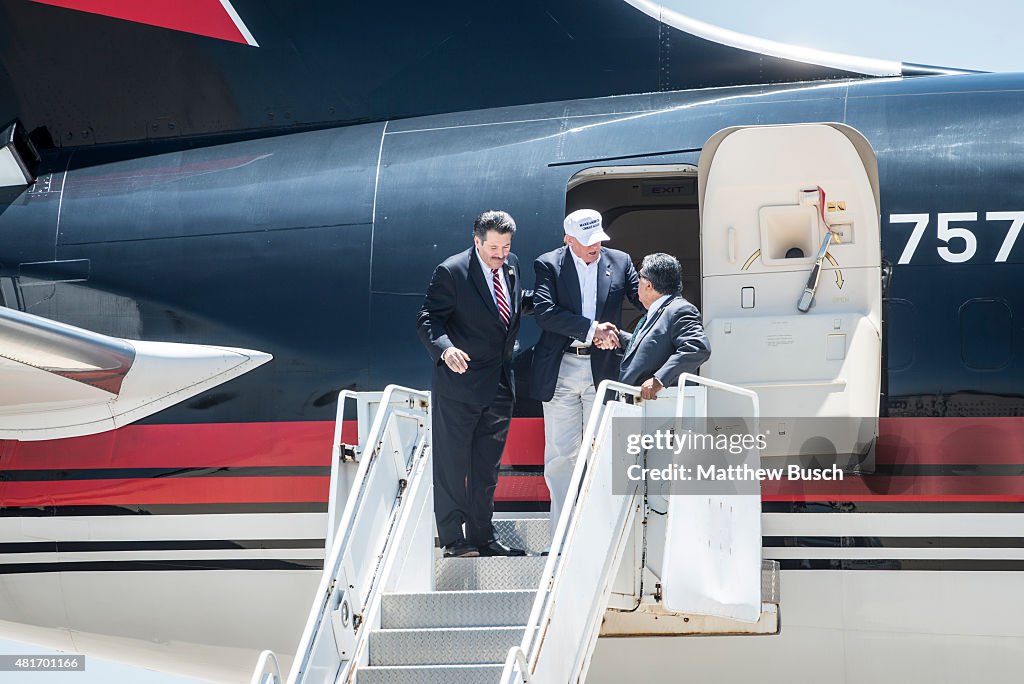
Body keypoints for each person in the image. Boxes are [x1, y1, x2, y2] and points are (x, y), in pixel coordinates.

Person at [415, 210, 527, 558]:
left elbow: (508, 308)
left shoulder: (512, 267)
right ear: (476, 241)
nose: (501, 254)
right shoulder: (452, 271)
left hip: (498, 386)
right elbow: (428, 318)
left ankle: (483, 536)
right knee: (453, 465)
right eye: (494, 247)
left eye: (506, 246)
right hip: (459, 386)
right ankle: (452, 539)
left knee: (486, 468)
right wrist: (445, 351)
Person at [529, 208, 641, 536]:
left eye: (598, 240)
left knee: (603, 450)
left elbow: (643, 299)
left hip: (603, 369)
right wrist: (593, 330)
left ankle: (600, 533)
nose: (595, 247)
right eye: (587, 241)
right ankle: (562, 537)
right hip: (562, 366)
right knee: (562, 455)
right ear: (568, 240)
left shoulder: (620, 261)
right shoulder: (548, 264)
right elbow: (546, 313)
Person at [616, 253, 711, 398]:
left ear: (649, 285)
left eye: (639, 277)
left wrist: (659, 380)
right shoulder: (658, 310)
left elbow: (697, 347)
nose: (637, 281)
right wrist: (618, 337)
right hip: (637, 405)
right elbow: (655, 346)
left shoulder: (679, 310)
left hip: (658, 408)